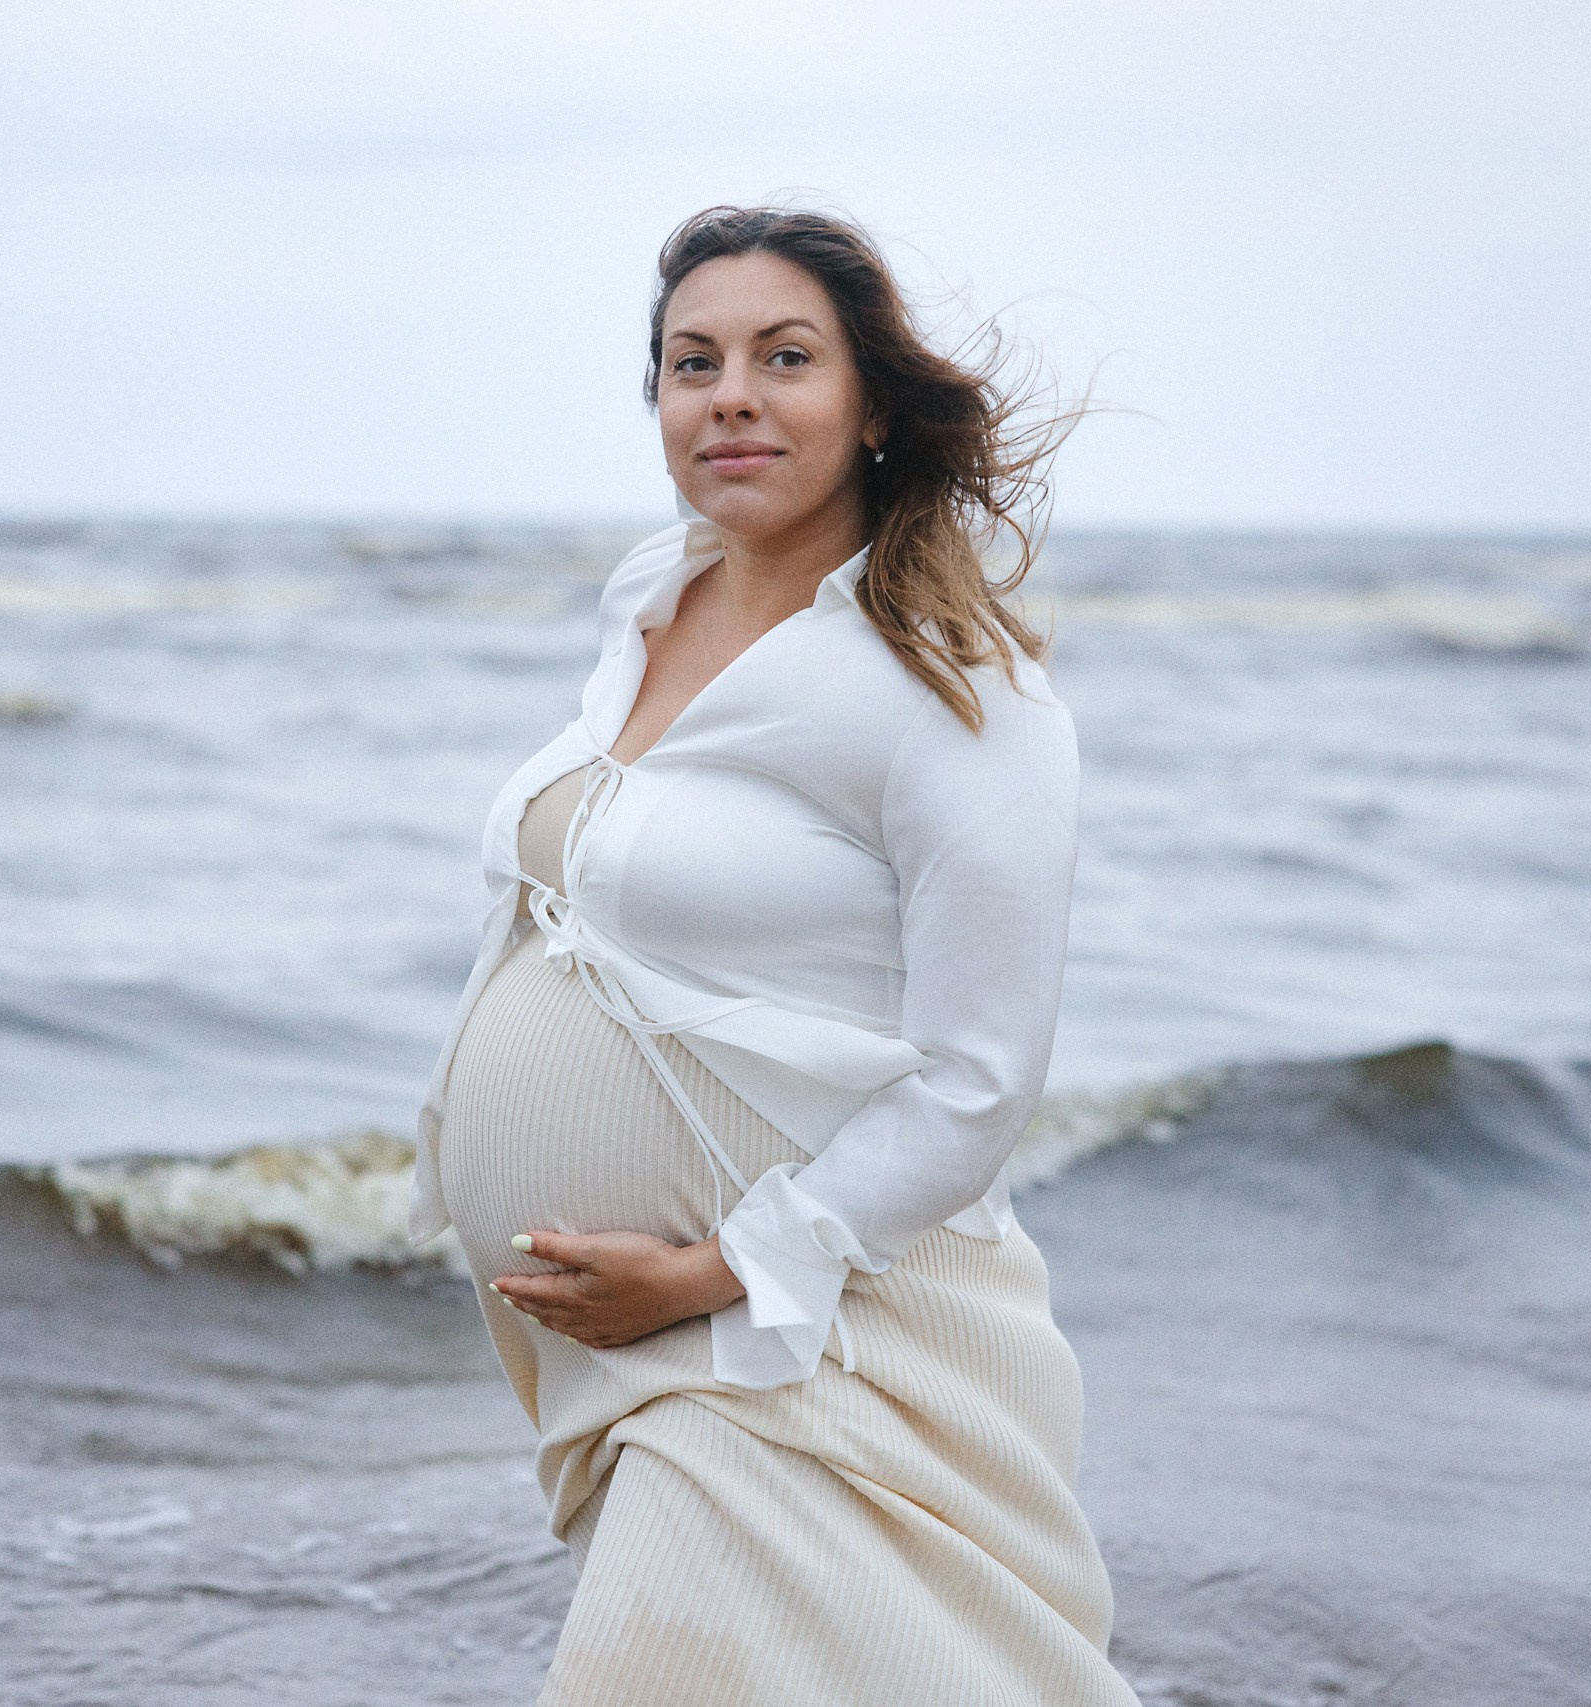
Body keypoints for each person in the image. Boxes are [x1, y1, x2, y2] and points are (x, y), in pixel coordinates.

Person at [408, 204, 1139, 1707]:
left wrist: (715, 1274)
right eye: (692, 362)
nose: (728, 394)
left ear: (871, 404)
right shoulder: (644, 610)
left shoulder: (956, 689)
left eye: (783, 357)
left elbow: (977, 1084)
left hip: (811, 1338)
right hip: (642, 1347)